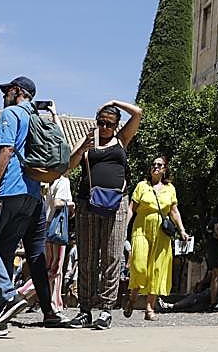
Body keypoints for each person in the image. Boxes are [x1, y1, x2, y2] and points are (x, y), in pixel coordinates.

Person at [0, 76, 64, 336]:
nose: (4, 96)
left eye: (7, 91)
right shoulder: (39, 118)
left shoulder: (11, 113)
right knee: (5, 251)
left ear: (16, 92)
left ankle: (9, 296)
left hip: (10, 188)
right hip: (33, 193)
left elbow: (6, 149)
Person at [65, 100, 142, 330]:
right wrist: (83, 149)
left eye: (109, 124)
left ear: (116, 125)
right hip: (87, 203)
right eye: (101, 122)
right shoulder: (88, 139)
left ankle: (106, 309)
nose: (105, 127)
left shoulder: (122, 140)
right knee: (87, 258)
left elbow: (138, 113)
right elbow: (69, 166)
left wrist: (113, 103)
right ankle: (85, 310)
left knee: (112, 255)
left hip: (117, 203)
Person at [124, 155, 189, 320]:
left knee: (157, 269)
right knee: (139, 265)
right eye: (153, 164)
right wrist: (124, 226)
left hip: (161, 233)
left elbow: (174, 211)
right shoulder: (142, 186)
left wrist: (182, 230)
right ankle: (132, 298)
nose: (156, 167)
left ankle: (149, 308)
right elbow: (132, 208)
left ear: (164, 169)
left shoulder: (170, 189)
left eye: (159, 165)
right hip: (141, 229)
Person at [16, 173, 73, 313]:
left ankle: (55, 303)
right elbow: (57, 203)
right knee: (54, 269)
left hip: (47, 227)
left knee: (51, 268)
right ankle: (22, 292)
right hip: (57, 229)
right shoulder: (64, 181)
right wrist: (71, 204)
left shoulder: (50, 181)